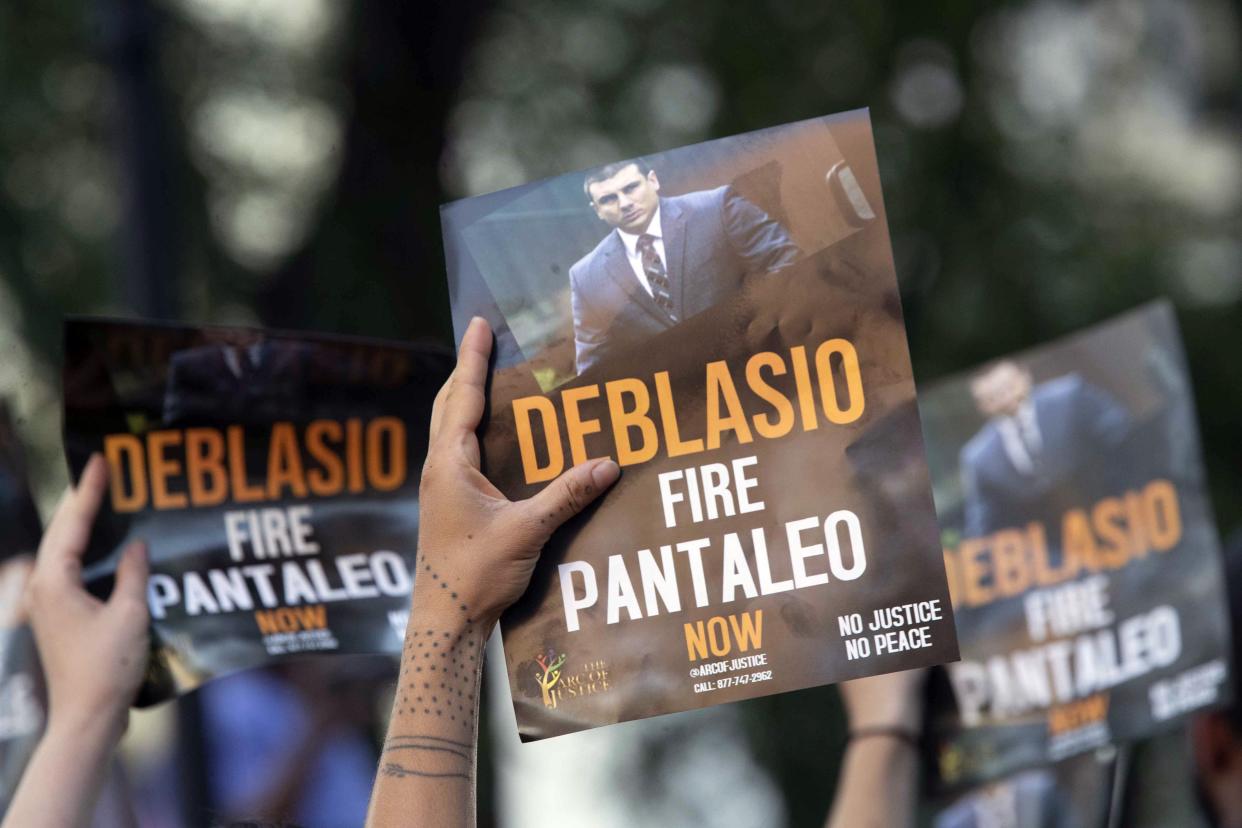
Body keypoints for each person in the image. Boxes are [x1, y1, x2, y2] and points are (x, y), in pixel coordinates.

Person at [569, 159, 800, 374]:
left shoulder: (716, 207)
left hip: (768, 366)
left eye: (631, 188)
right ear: (597, 210)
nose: (625, 203)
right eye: (609, 199)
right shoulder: (586, 276)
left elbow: (787, 263)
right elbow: (594, 366)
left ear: (653, 181)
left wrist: (766, 329)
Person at [960, 361, 1130, 537]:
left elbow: (1122, 437)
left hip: (1117, 513)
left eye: (1008, 387)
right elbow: (982, 520)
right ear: (981, 406)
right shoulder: (978, 457)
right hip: (1053, 551)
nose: (1005, 398)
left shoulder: (1070, 396)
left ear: (1025, 376)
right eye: (992, 397)